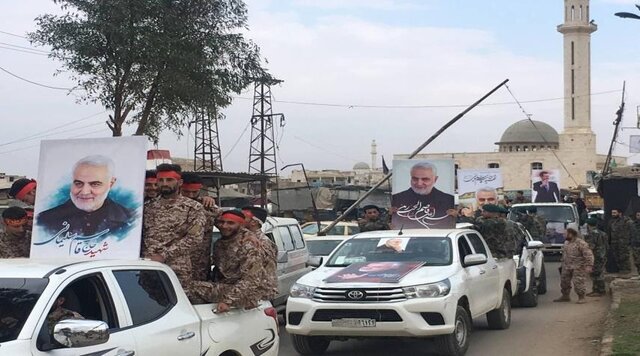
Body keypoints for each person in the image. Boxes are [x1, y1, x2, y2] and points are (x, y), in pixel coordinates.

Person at [142, 164, 206, 301]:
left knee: (177, 307)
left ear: (180, 182)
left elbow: (194, 238)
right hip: (147, 267)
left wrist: (164, 255)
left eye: (169, 180)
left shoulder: (193, 208)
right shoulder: (147, 207)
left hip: (176, 269)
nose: (164, 184)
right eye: (161, 180)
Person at [36, 155, 136, 237]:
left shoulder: (130, 220)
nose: (84, 192)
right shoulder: (45, 220)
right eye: (78, 183)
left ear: (111, 183)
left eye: (95, 184)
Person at [190, 211, 264, 312]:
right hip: (225, 287)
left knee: (189, 288)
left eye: (230, 223)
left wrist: (228, 300)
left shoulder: (248, 245)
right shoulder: (220, 244)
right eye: (222, 222)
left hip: (244, 293)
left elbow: (251, 279)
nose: (224, 226)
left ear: (241, 225)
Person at [181, 172, 221, 281]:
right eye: (186, 192)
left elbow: (230, 226)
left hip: (199, 269)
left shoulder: (209, 208)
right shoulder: (167, 207)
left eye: (194, 192)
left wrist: (249, 235)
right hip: (173, 266)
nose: (190, 195)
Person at [392, 161, 455, 229]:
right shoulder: (396, 199)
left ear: (435, 179)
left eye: (425, 179)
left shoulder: (449, 200)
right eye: (415, 179)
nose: (419, 183)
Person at [242, 206, 278, 301]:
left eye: (243, 217)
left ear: (254, 222)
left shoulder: (262, 242)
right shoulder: (244, 237)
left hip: (259, 295)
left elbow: (255, 271)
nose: (239, 220)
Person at [553, 227, 594, 304]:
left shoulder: (581, 243)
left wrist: (589, 265)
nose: (563, 235)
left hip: (578, 266)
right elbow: (565, 254)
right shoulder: (566, 243)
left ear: (571, 234)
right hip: (566, 266)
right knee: (564, 282)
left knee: (578, 282)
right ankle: (565, 296)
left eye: (565, 233)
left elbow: (588, 255)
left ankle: (581, 297)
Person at [584, 218, 607, 296]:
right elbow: (606, 245)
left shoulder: (591, 234)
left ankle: (599, 290)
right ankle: (596, 289)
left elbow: (591, 246)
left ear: (589, 225)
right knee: (599, 271)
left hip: (595, 255)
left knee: (596, 273)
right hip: (602, 254)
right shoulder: (603, 233)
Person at [608, 208, 634, 273]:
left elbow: (633, 231)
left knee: (624, 257)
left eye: (614, 213)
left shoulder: (626, 221)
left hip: (624, 242)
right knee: (617, 257)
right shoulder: (611, 221)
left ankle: (626, 271)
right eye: (612, 213)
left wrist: (631, 240)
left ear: (620, 213)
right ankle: (621, 270)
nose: (613, 214)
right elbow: (609, 232)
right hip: (614, 242)